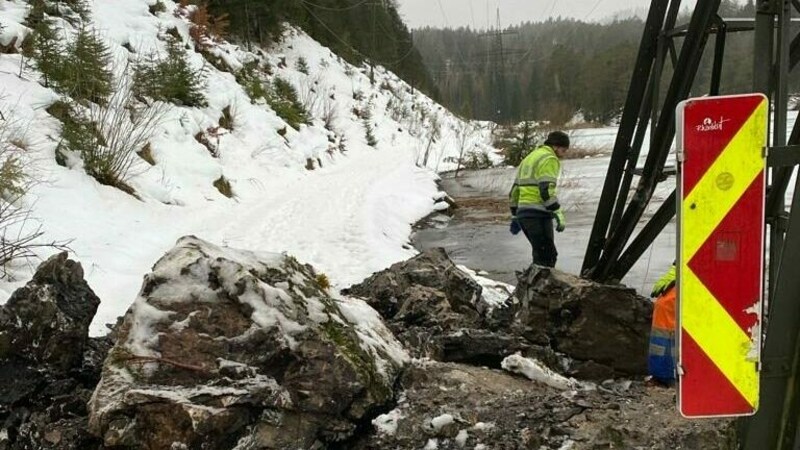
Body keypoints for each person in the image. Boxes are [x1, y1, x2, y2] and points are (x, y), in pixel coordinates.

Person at [508, 130, 570, 267]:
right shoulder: (549, 159)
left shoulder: (530, 158)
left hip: (524, 214)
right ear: (555, 147)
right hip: (538, 214)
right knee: (547, 256)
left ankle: (532, 284)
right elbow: (546, 190)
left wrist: (515, 215)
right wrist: (557, 211)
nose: (564, 154)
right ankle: (541, 287)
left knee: (540, 254)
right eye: (564, 150)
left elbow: (514, 192)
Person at [648, 263, 677, 386]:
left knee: (660, 345)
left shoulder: (675, 271)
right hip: (672, 307)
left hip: (664, 305)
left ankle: (660, 376)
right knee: (671, 343)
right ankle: (668, 376)